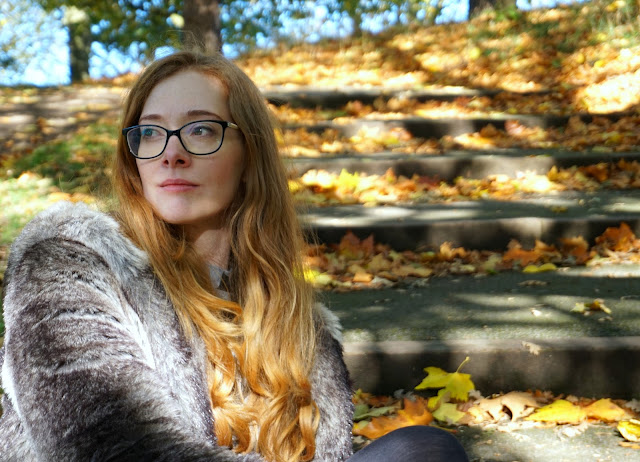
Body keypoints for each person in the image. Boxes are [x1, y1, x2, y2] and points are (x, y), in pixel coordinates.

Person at [0, 50, 468, 462]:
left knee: (422, 450)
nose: (172, 154)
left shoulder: (301, 330)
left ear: (250, 158)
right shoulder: (69, 260)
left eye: (201, 130)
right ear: (134, 158)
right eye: (150, 133)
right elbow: (111, 446)